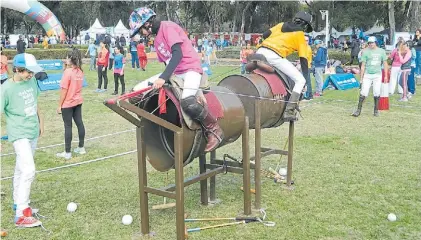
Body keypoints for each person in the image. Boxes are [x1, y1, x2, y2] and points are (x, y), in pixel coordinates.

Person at [129, 7, 223, 152]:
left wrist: (163, 78)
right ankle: (153, 125)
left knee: (188, 102)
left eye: (140, 30)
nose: (141, 34)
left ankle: (214, 129)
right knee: (134, 94)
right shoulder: (155, 40)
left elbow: (177, 54)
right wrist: (165, 78)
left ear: (147, 23)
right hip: (175, 73)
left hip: (191, 69)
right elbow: (168, 63)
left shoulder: (168, 27)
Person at [1, 53, 45, 227]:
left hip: (32, 130)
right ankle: (21, 214)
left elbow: (35, 103)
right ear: (17, 70)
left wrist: (41, 122)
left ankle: (17, 201)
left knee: (21, 168)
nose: (31, 75)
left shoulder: (32, 81)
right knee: (29, 170)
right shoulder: (5, 89)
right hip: (18, 133)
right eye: (28, 72)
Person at [256, 11, 313, 121]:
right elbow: (303, 59)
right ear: (305, 25)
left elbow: (264, 35)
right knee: (300, 80)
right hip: (274, 56)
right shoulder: (300, 34)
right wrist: (305, 79)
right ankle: (289, 111)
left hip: (260, 51)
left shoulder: (281, 24)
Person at [56, 48, 86, 159]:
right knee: (79, 123)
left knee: (68, 126)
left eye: (67, 58)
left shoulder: (68, 72)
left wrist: (59, 105)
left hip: (68, 103)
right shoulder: (80, 71)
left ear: (70, 59)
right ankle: (81, 147)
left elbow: (64, 90)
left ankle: (67, 152)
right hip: (78, 101)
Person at [352, 36, 388, 117]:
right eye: (369, 43)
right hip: (367, 75)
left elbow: (385, 63)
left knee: (376, 92)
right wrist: (361, 78)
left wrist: (385, 76)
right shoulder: (365, 52)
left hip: (377, 74)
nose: (371, 44)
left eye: (372, 42)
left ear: (376, 42)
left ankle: (376, 110)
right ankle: (358, 110)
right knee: (363, 92)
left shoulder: (381, 51)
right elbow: (363, 66)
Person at [303, 36, 313, 100]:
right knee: (307, 81)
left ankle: (309, 96)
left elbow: (305, 58)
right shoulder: (306, 47)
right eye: (304, 40)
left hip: (306, 66)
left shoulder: (307, 48)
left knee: (307, 81)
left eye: (307, 40)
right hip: (306, 66)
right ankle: (309, 95)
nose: (305, 42)